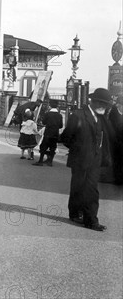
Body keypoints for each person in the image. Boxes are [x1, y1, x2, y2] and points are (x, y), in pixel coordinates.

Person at [60, 88, 112, 231]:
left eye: (106, 104)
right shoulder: (78, 115)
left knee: (91, 190)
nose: (104, 106)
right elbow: (65, 138)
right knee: (77, 188)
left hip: (95, 161)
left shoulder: (101, 118)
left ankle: (91, 220)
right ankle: (75, 213)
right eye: (101, 103)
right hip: (80, 159)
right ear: (93, 101)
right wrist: (79, 149)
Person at [33, 100, 63, 166]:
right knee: (53, 148)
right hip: (55, 134)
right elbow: (61, 126)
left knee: (43, 147)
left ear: (50, 106)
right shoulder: (60, 115)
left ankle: (40, 161)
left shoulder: (47, 114)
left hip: (48, 133)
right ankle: (50, 162)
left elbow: (44, 122)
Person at [108, 95, 123, 184]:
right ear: (119, 105)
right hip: (117, 143)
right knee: (117, 161)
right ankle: (118, 179)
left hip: (120, 141)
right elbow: (112, 129)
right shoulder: (113, 114)